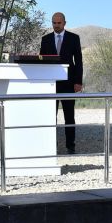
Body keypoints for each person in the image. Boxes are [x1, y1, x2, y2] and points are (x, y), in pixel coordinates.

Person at [39, 12, 83, 154]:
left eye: (59, 23)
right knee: (50, 116)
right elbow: (42, 62)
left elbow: (79, 62)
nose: (56, 25)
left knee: (69, 116)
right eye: (54, 23)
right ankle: (50, 145)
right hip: (51, 84)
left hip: (69, 83)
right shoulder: (45, 39)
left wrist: (78, 82)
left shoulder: (73, 38)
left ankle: (71, 145)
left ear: (64, 23)